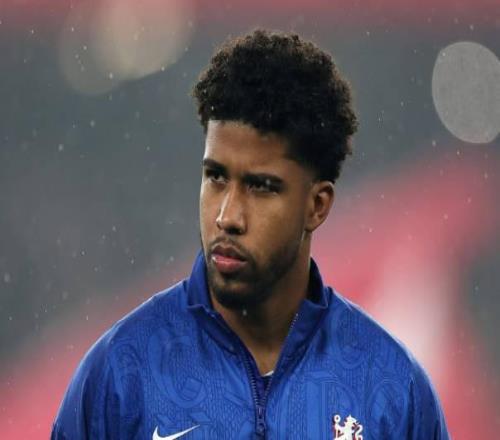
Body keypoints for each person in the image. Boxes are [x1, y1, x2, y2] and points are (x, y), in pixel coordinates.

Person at [52, 29, 450, 439]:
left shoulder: (391, 388)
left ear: (317, 205)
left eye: (261, 187)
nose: (227, 216)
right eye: (216, 177)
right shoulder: (122, 373)